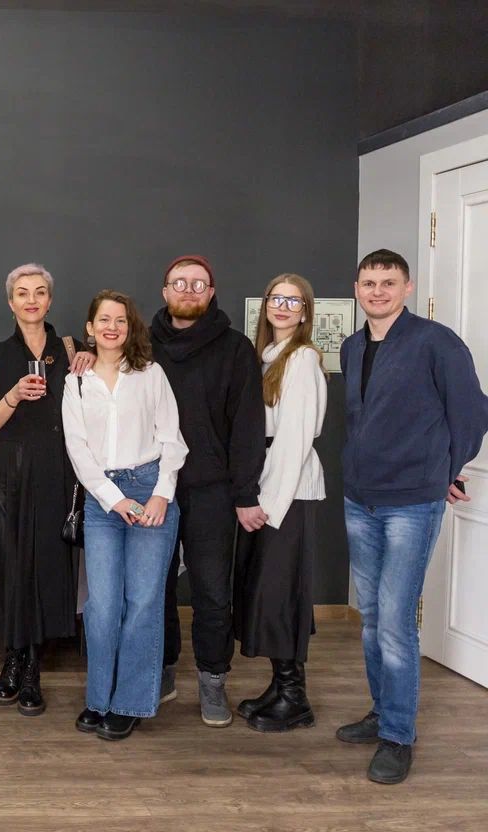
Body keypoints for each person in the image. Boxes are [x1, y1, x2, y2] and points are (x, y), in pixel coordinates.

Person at [337, 249, 488, 784]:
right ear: (357, 289)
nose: (377, 291)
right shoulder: (352, 346)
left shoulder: (436, 342)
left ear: (407, 287)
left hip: (411, 502)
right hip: (359, 498)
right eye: (368, 282)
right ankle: (382, 712)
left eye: (388, 282)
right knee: (372, 616)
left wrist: (444, 469)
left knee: (397, 621)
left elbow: (472, 413)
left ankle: (399, 735)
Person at [63, 291, 188, 740]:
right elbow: (77, 449)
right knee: (102, 605)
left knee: (144, 602)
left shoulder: (151, 374)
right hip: (103, 500)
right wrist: (113, 500)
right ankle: (99, 698)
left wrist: (161, 495)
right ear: (90, 328)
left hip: (151, 489)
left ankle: (130, 703)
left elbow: (172, 439)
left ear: (130, 327)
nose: (112, 327)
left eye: (120, 320)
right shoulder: (76, 381)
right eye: (103, 320)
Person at [150, 254, 265, 727]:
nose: (189, 290)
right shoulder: (142, 344)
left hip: (211, 489)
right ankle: (162, 670)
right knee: (153, 588)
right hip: (152, 486)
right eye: (179, 283)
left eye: (198, 284)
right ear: (165, 291)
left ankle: (213, 678)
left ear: (212, 292)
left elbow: (248, 426)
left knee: (213, 592)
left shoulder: (235, 349)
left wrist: (245, 492)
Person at [0, 263, 83, 717]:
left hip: (58, 471)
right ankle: (13, 657)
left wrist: (90, 362)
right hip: (8, 474)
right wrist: (13, 396)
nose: (31, 300)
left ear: (50, 300)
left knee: (47, 566)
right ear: (11, 302)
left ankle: (33, 664)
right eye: (22, 293)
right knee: (12, 566)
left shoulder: (74, 350)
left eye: (39, 292)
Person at [233, 274, 327, 733]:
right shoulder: (268, 355)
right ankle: (280, 686)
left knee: (284, 592)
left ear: (305, 311)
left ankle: (295, 697)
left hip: (286, 492)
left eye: (294, 301)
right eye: (276, 298)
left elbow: (294, 438)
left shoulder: (303, 358)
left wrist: (267, 503)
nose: (283, 307)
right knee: (268, 592)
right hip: (266, 482)